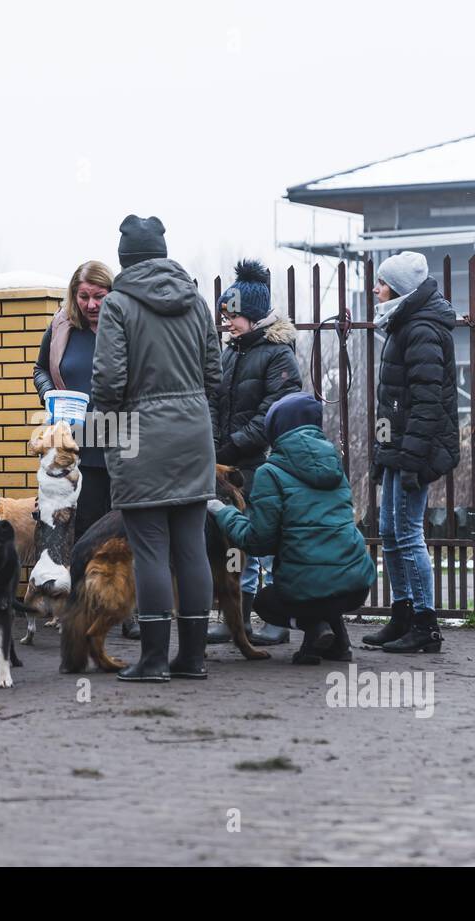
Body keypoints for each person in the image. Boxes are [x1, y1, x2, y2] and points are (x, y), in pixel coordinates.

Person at [91, 214, 220, 682]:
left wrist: (103, 431)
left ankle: (151, 660)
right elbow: (214, 375)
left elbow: (108, 381)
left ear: (124, 259)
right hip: (193, 432)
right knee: (191, 549)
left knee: (149, 550)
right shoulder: (197, 302)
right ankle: (194, 658)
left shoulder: (119, 305)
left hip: (139, 435)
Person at [208, 393, 375, 664]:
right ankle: (339, 644)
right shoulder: (334, 464)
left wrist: (223, 512)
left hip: (308, 589)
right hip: (357, 584)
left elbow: (258, 542)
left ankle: (314, 628)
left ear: (276, 429)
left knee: (267, 602)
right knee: (324, 576)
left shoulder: (270, 472)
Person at [361, 251, 460, 654]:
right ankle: (402, 614)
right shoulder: (403, 324)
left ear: (400, 289)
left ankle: (425, 624)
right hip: (398, 449)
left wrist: (411, 461)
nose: (375, 288)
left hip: (412, 452)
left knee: (407, 533)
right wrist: (383, 454)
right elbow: (396, 402)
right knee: (389, 531)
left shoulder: (421, 330)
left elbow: (426, 403)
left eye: (382, 282)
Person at [208, 258, 302, 646]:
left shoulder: (279, 354)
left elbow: (274, 413)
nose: (228, 322)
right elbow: (214, 398)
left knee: (268, 541)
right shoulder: (232, 352)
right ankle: (237, 618)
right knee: (234, 544)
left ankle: (277, 620)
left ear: (255, 316)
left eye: (234, 316)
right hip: (230, 464)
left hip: (262, 463)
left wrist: (236, 443)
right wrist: (215, 443)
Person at [33, 260, 115, 538]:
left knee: (121, 534)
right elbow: (40, 369)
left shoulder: (125, 328)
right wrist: (49, 394)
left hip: (123, 443)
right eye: (83, 297)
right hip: (76, 446)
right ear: (73, 296)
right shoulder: (61, 327)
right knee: (84, 532)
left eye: (99, 297)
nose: (91, 305)